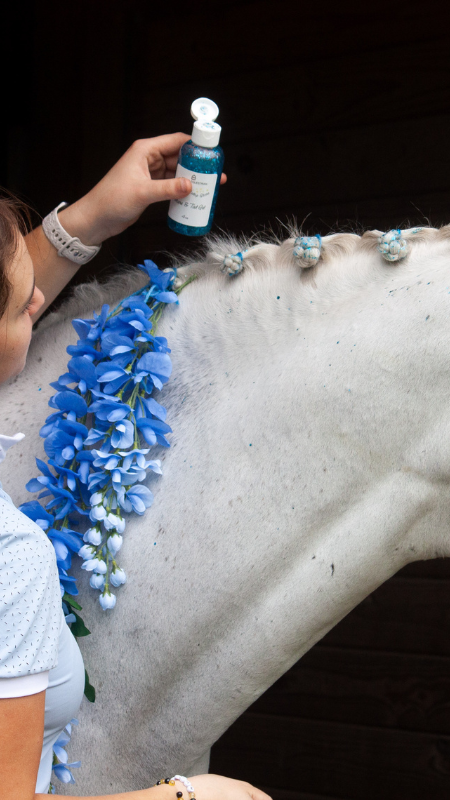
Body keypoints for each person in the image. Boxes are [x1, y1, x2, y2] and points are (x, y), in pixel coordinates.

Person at [0, 133, 270, 800]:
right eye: (23, 304)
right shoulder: (12, 560)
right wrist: (188, 796)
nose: (39, 303)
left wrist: (90, 217)